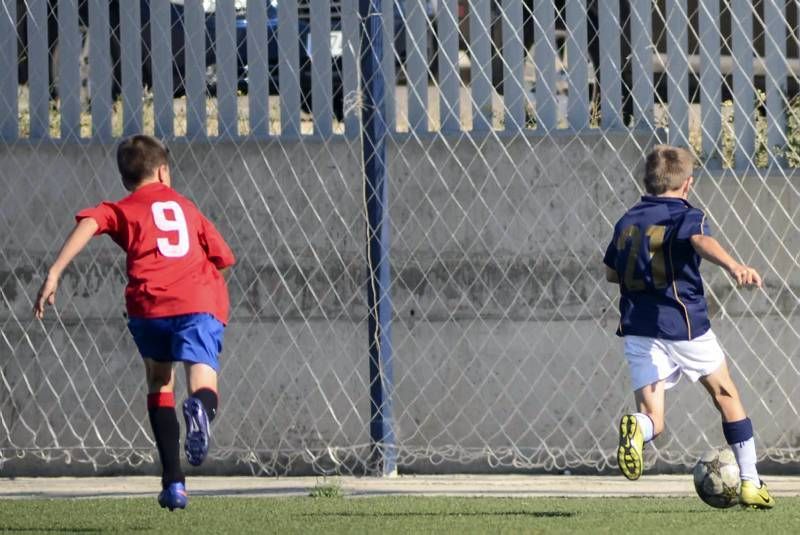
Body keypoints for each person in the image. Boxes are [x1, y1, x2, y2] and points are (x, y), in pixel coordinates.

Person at [33, 135, 235, 511]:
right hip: (196, 299)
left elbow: (91, 221)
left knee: (160, 381)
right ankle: (201, 411)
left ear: (127, 180)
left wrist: (55, 272)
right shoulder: (186, 207)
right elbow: (222, 256)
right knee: (201, 375)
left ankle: (174, 483)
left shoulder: (123, 207)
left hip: (150, 304)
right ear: (163, 171)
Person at [603, 144, 774, 509]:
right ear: (688, 184)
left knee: (654, 419)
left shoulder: (627, 221)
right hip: (685, 325)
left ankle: (638, 428)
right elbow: (700, 240)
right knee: (726, 396)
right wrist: (734, 266)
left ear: (646, 181)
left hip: (637, 328)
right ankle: (749, 482)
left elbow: (611, 272)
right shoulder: (686, 215)